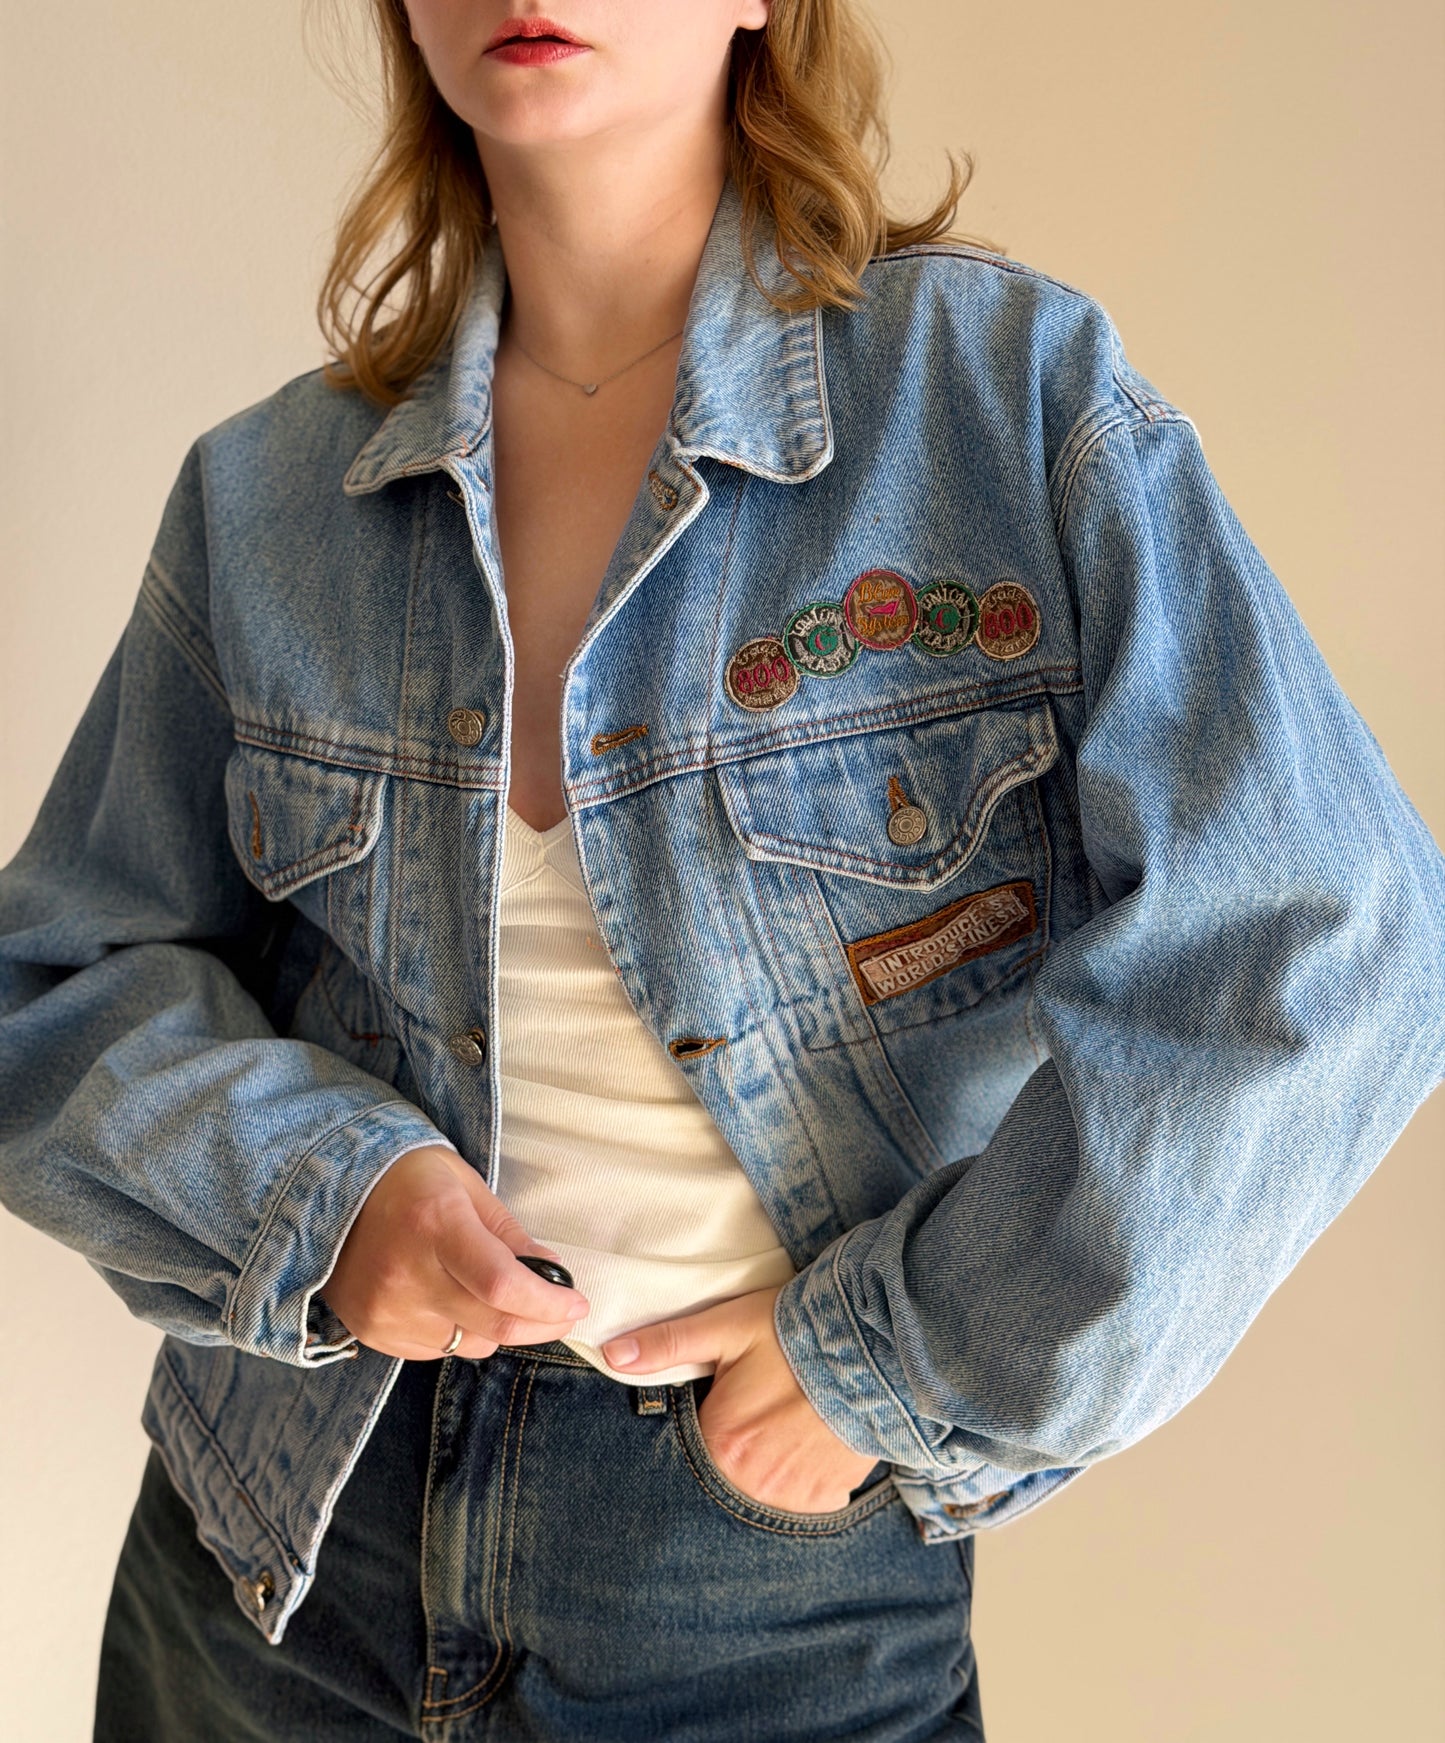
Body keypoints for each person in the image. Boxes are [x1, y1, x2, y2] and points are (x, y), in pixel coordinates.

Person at [1, 1, 1441, 1738]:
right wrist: (327, 1202)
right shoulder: (267, 498)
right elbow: (58, 979)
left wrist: (894, 1369)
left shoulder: (1000, 399)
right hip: (279, 1547)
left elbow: (1320, 939)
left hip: (754, 1569)